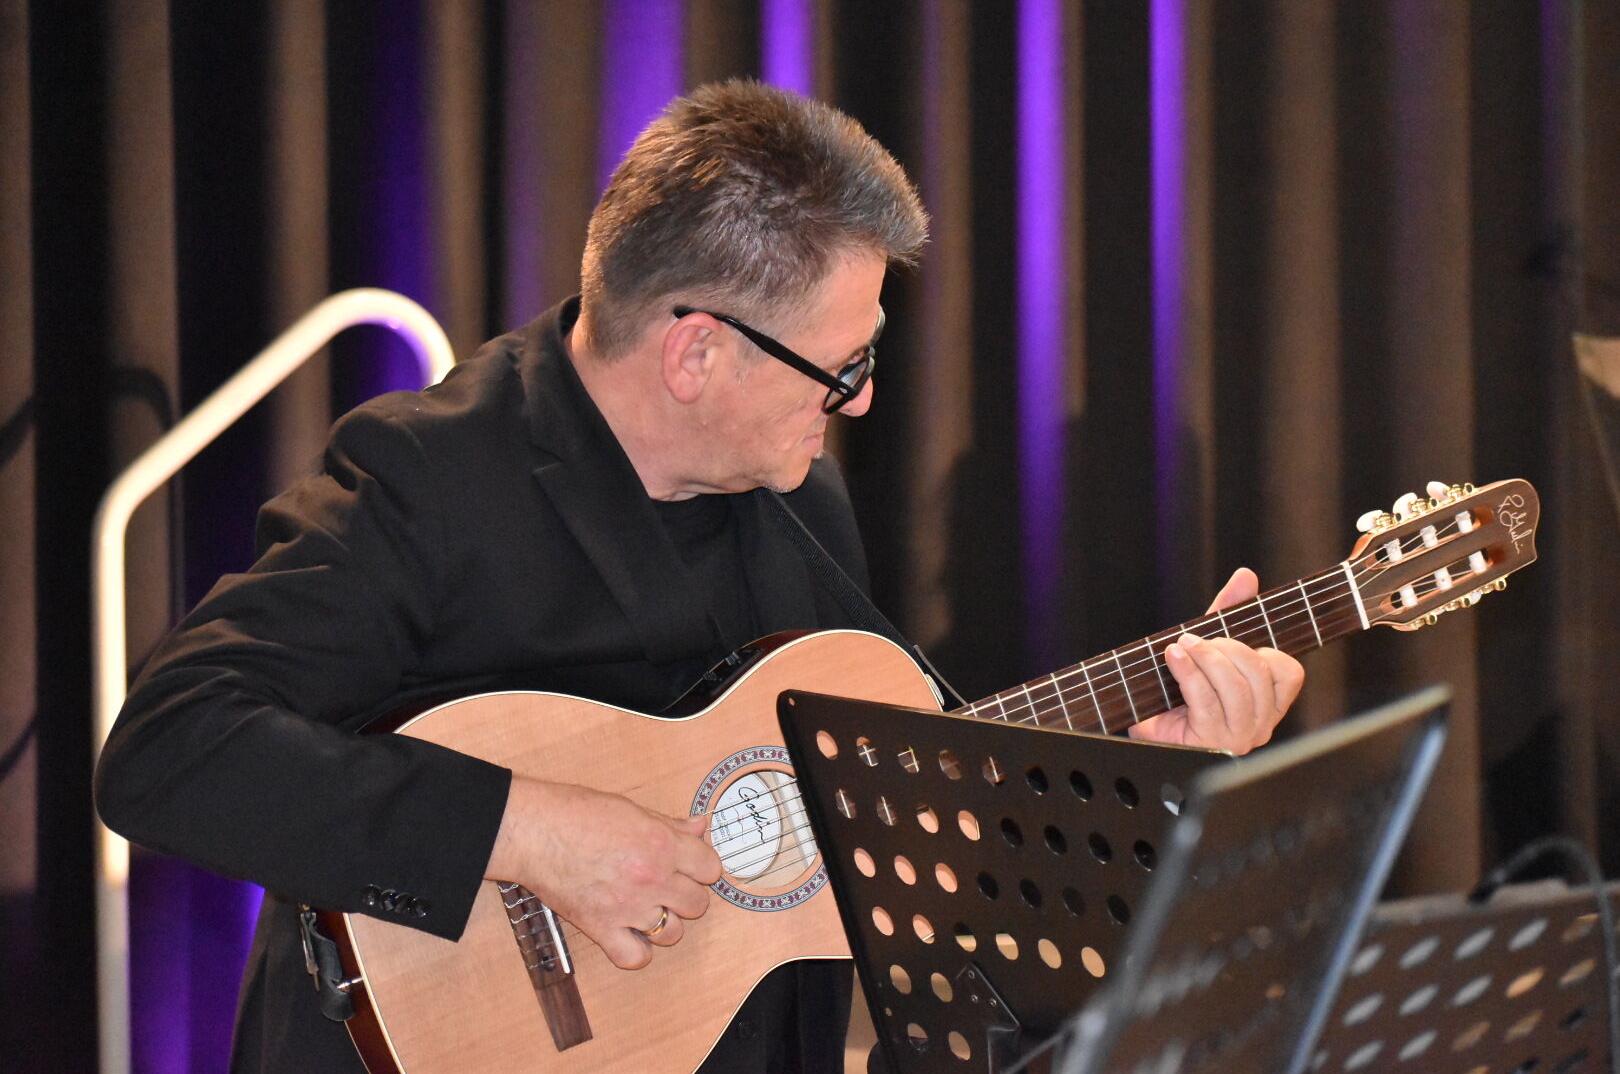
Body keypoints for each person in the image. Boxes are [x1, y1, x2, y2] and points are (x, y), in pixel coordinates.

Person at [95, 79, 1304, 1073]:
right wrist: (527, 831)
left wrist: (1152, 777)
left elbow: (900, 829)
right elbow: (170, 747)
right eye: (841, 367)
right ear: (696, 353)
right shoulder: (432, 477)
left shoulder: (800, 500)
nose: (861, 402)